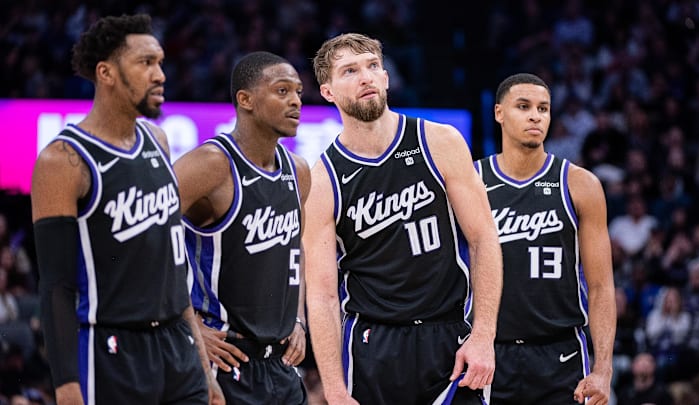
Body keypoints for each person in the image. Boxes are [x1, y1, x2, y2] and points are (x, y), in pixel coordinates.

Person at [30, 14, 223, 405]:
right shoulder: (63, 161)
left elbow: (174, 267)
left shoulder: (158, 140)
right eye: (146, 63)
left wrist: (203, 366)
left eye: (161, 62)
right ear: (106, 73)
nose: (160, 75)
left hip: (178, 346)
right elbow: (56, 286)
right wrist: (67, 384)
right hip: (112, 349)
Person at [303, 32, 503, 404]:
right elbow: (323, 295)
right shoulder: (322, 179)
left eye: (373, 66)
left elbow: (483, 238)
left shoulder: (439, 141)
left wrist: (483, 335)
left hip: (450, 336)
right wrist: (332, 388)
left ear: (386, 77)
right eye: (349, 71)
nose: (365, 77)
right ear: (327, 91)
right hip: (372, 345)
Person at [173, 51, 310, 404]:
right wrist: (186, 326)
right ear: (245, 100)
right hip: (220, 360)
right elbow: (143, 241)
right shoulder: (210, 165)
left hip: (280, 367)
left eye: (297, 91)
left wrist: (298, 319)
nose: (295, 100)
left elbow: (296, 253)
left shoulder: (298, 170)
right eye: (282, 91)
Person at [475, 72, 615, 404]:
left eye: (543, 108)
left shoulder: (580, 185)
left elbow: (601, 286)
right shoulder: (472, 181)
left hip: (561, 354)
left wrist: (604, 368)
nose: (535, 115)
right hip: (491, 353)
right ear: (498, 113)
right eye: (523, 106)